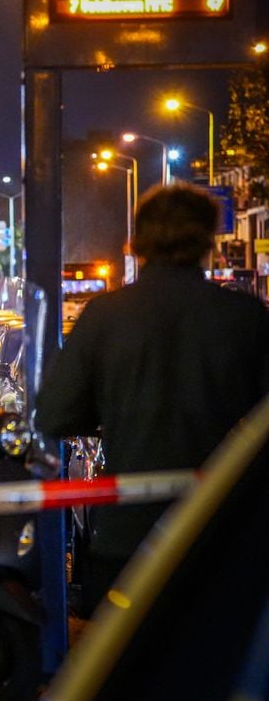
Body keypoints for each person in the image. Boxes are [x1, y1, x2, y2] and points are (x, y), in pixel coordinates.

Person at [34, 183, 269, 611]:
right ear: (208, 241)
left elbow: (54, 416)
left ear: (137, 243)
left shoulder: (106, 315)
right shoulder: (245, 317)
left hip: (129, 536)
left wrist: (115, 417)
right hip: (220, 534)